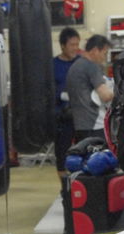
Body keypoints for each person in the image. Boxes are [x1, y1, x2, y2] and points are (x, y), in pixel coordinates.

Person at [65, 34, 113, 142]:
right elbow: (106, 96)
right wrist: (120, 91)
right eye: (104, 53)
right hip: (95, 125)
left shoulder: (75, 66)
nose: (104, 58)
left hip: (80, 125)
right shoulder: (92, 66)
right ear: (95, 50)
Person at [53, 27, 80, 180]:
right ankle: (65, 187)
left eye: (77, 44)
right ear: (63, 45)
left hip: (81, 116)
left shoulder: (81, 63)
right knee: (62, 154)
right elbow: (47, 90)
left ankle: (82, 184)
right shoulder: (53, 65)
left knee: (84, 149)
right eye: (72, 45)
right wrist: (61, 96)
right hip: (62, 117)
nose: (75, 48)